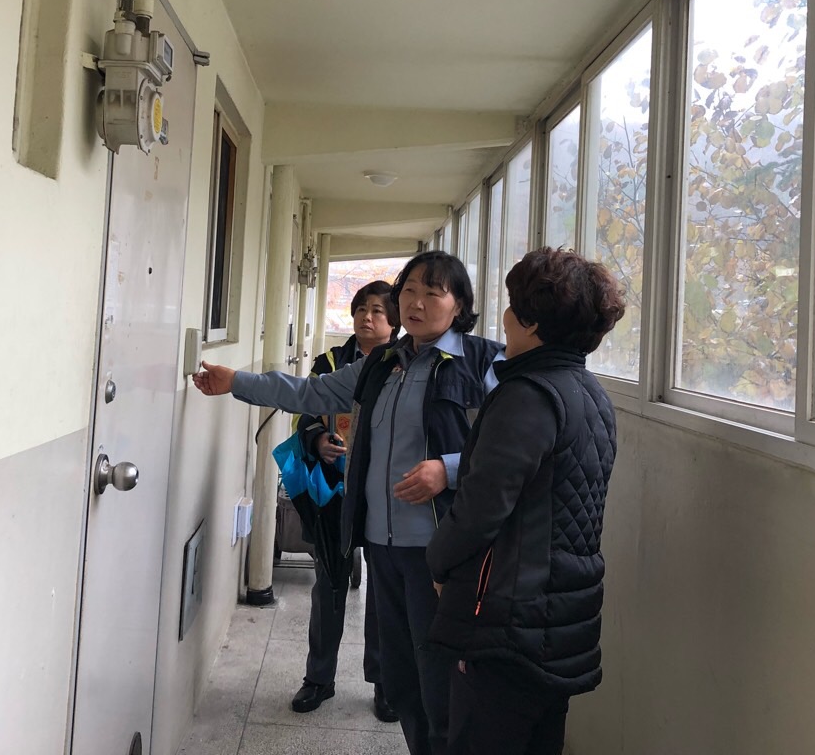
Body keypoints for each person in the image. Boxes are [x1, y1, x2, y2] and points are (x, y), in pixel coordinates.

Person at [194, 251, 503, 755]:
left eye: (433, 293)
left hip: (440, 551)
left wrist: (446, 469)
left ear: (460, 304)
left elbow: (507, 447)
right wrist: (237, 382)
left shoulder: (484, 362)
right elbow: (310, 392)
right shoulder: (383, 363)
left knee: (440, 679)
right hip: (382, 542)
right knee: (400, 679)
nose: (417, 303)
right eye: (409, 291)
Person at [425, 248, 626, 755]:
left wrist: (439, 562)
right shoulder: (590, 395)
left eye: (513, 306)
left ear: (532, 322)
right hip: (560, 619)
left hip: (508, 624)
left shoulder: (527, 396)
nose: (506, 317)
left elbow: (480, 509)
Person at [289, 280, 398, 721]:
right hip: (333, 493)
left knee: (384, 593)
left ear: (394, 321)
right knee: (329, 584)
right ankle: (319, 678)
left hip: (385, 496)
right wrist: (318, 440)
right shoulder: (331, 363)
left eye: (377, 311)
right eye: (361, 309)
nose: (366, 317)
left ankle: (385, 683)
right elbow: (304, 415)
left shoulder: (403, 365)